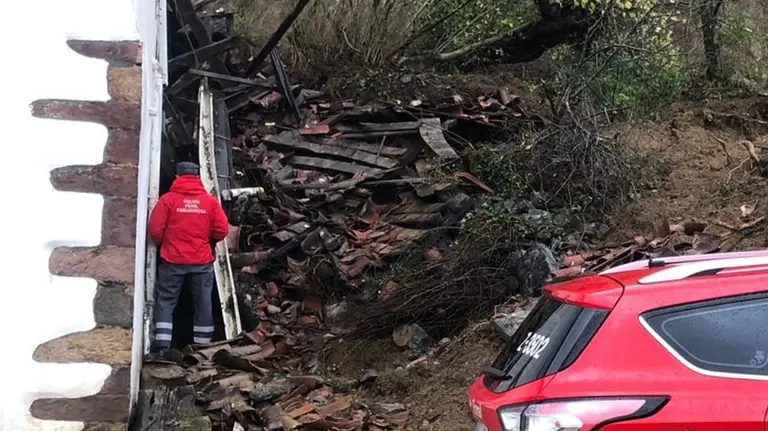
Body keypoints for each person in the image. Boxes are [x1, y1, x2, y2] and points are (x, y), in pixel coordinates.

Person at [147, 161, 229, 357]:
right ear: (198, 178)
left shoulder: (167, 200)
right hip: (201, 262)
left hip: (172, 261)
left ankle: (162, 345)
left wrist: (166, 244)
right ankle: (203, 349)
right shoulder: (209, 202)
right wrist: (208, 242)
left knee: (166, 302)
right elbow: (222, 230)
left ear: (177, 177)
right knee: (203, 303)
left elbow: (155, 231)